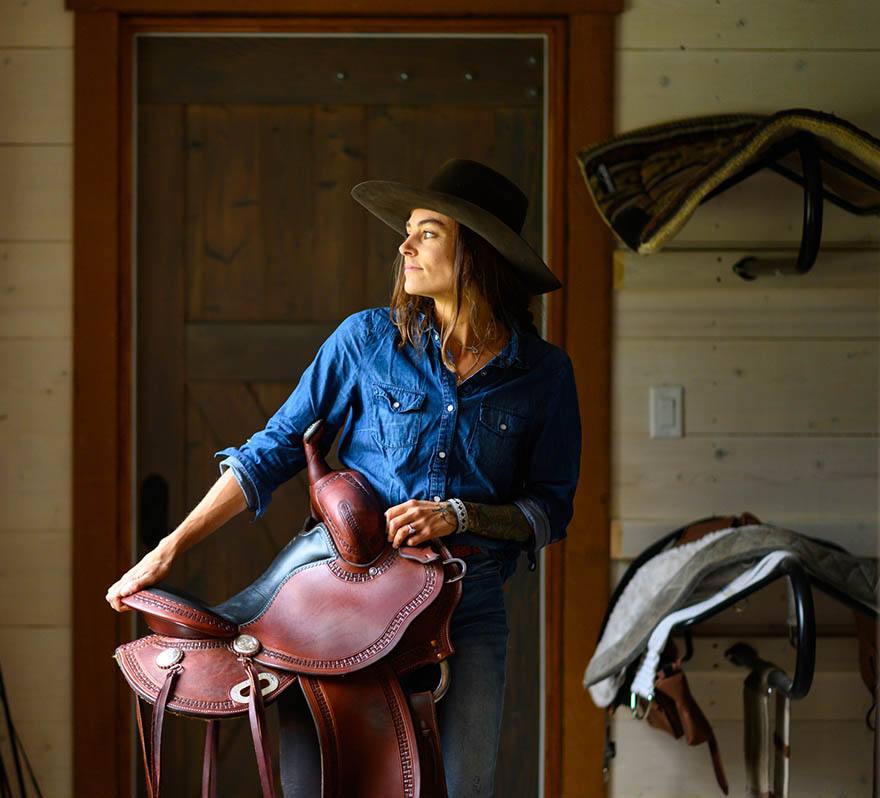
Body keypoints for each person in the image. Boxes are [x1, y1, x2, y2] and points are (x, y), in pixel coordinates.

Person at [106, 158, 582, 797]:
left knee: (467, 788)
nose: (404, 246)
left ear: (479, 251)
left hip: (468, 603)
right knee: (324, 784)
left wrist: (463, 516)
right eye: (407, 231)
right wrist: (168, 549)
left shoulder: (544, 374)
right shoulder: (365, 339)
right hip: (343, 593)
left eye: (428, 232)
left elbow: (550, 510)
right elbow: (269, 451)